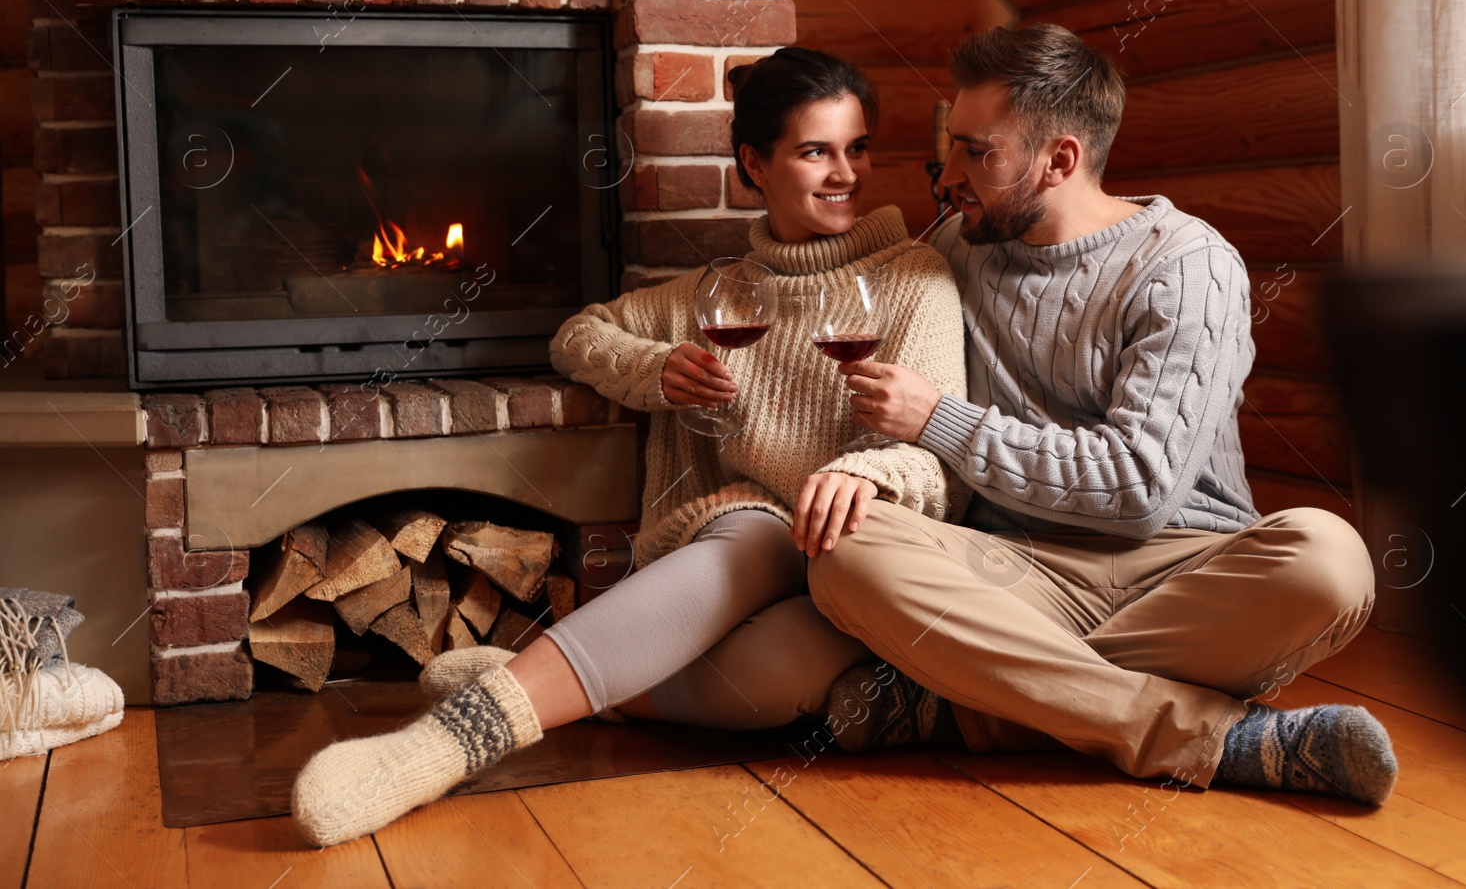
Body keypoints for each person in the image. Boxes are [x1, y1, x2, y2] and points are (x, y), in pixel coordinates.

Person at [291, 47, 968, 846]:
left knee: (796, 673)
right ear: (754, 162)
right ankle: (442, 745)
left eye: (857, 148)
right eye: (816, 150)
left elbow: (930, 450)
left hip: (849, 553)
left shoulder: (913, 277)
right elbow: (577, 333)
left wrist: (862, 469)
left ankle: (551, 679)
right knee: (756, 551)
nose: (845, 172)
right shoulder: (716, 293)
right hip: (752, 540)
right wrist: (656, 368)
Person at [809, 24, 1399, 806]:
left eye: (976, 152)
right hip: (1014, 571)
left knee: (1331, 559)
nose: (948, 174)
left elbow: (1139, 488)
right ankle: (1217, 736)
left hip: (1186, 567)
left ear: (1059, 159)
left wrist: (939, 421)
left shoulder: (1187, 264)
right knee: (844, 547)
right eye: (951, 146)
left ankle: (981, 700)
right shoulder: (952, 247)